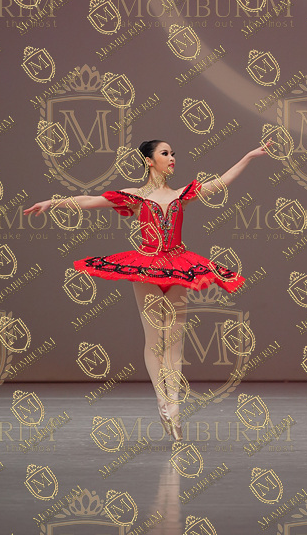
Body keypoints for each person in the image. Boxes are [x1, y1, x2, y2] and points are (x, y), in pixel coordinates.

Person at [24, 139, 272, 440]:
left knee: (175, 340)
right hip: (146, 267)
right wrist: (53, 203)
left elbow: (220, 183)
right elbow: (89, 200)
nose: (172, 158)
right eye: (165, 153)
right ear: (149, 161)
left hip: (179, 266)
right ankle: (162, 402)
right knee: (156, 339)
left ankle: (174, 406)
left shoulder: (182, 195)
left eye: (173, 153)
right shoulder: (135, 196)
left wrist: (249, 155)